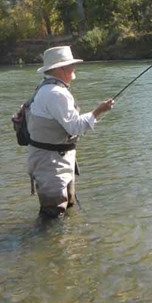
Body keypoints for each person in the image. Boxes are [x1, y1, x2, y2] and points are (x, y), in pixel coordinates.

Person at [26, 45, 115, 218]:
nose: (74, 68)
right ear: (60, 69)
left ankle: (64, 242)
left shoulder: (45, 87)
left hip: (52, 159)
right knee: (52, 215)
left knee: (66, 210)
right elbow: (75, 128)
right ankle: (50, 243)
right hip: (50, 164)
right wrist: (99, 111)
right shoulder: (56, 93)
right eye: (71, 64)